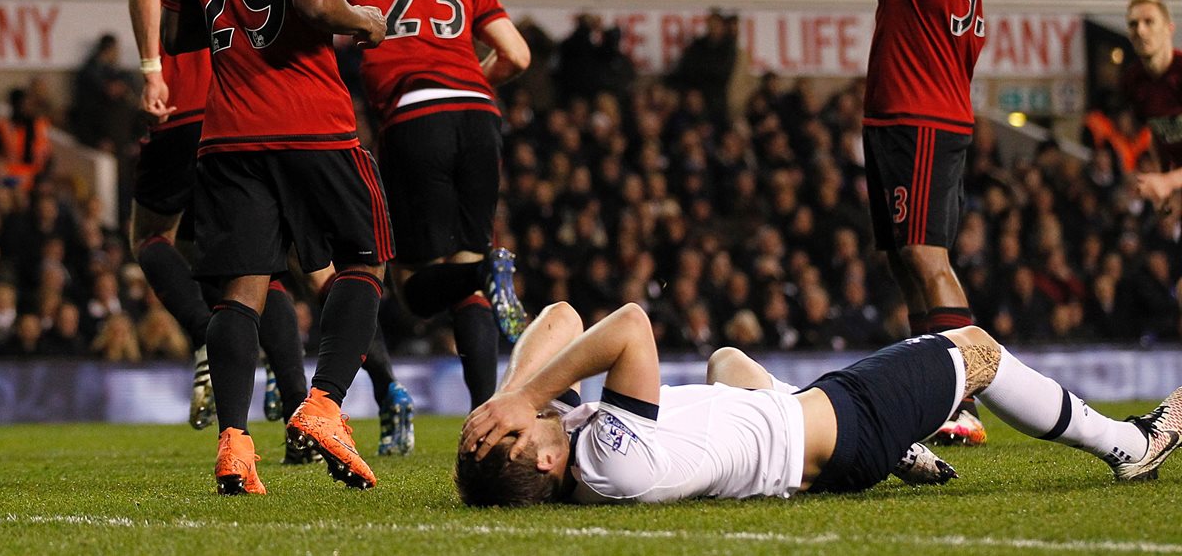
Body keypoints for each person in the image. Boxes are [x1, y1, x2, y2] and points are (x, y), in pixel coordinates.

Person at [683, 0, 990, 445]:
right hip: (912, 113)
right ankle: (938, 396)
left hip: (921, 114)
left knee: (928, 258)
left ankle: (967, 396)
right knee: (908, 261)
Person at [162, 0, 391, 496]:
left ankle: (235, 446)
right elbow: (314, 0)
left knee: (241, 293)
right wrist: (365, 20)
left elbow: (180, 35)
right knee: (365, 262)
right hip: (310, 123)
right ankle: (322, 404)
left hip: (228, 131)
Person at [456, 301, 1181, 507]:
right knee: (977, 350)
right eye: (523, 429)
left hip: (802, 422)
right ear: (546, 454)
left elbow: (557, 316)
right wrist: (523, 396)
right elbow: (631, 325)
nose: (534, 414)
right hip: (847, 425)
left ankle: (905, 442)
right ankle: (1129, 444)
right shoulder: (611, 457)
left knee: (726, 362)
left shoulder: (571, 446)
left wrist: (503, 403)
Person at [121, 0, 309, 442]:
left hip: (182, 106)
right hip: (242, 108)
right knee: (262, 264)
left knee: (150, 235)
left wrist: (152, 67)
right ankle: (298, 399)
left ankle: (206, 336)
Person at [338, 0, 532, 430]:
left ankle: (482, 274)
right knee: (467, 269)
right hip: (477, 112)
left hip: (415, 114)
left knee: (417, 290)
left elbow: (318, 13)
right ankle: (485, 415)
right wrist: (472, 83)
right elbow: (517, 55)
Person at [1121, 0, 1182, 208]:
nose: (1140, 30)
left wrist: (1167, 182)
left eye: (1149, 22)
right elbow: (1156, 132)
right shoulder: (1133, 80)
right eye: (1133, 24)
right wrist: (1161, 178)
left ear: (1169, 28)